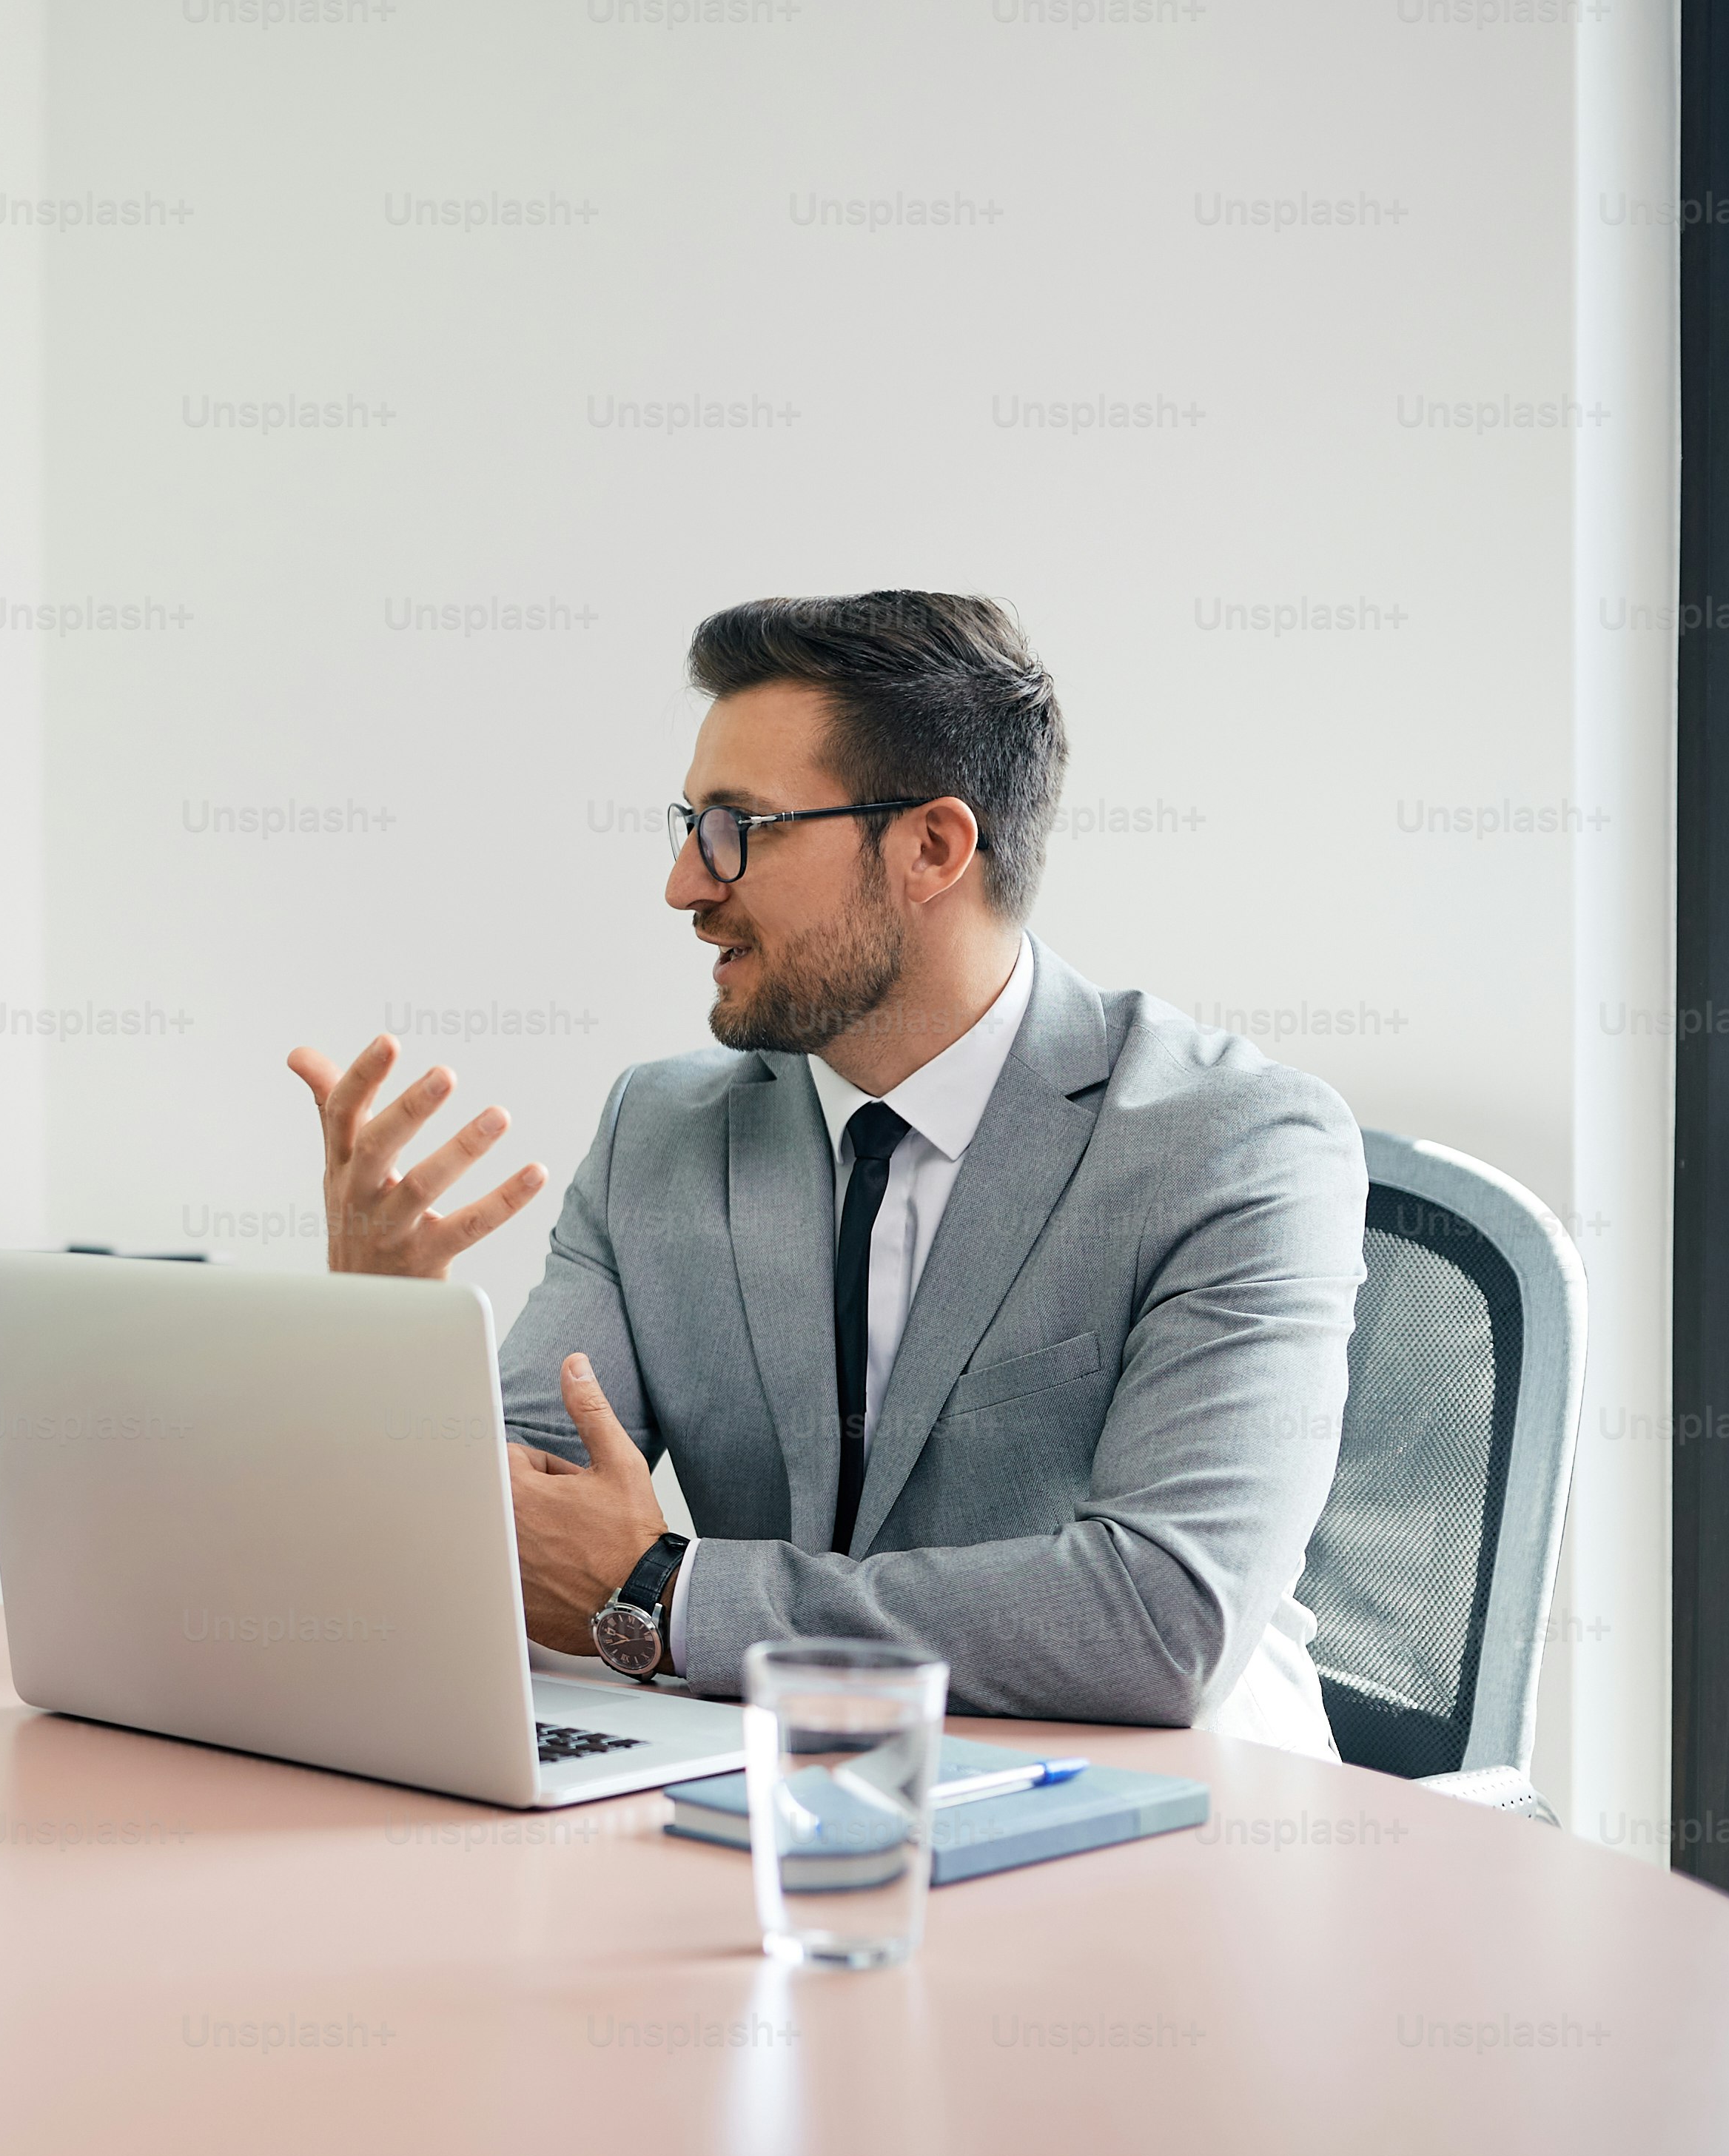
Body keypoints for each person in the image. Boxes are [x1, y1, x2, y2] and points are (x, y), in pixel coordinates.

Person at [288, 592, 1365, 1751]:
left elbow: (1162, 1622)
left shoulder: (1234, 1145)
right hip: (776, 1803)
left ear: (931, 849)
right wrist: (384, 1337)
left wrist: (671, 1594)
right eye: (691, 826)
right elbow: (516, 1529)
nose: (688, 887)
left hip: (1162, 1824)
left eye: (740, 827)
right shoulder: (665, 1132)